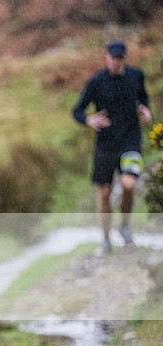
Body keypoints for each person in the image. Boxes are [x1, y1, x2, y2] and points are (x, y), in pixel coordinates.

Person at [72, 39, 152, 253]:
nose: (116, 62)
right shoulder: (96, 82)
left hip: (130, 141)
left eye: (119, 58)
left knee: (128, 184)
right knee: (105, 192)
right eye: (112, 58)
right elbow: (77, 111)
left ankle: (124, 227)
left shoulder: (136, 76)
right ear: (106, 57)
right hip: (105, 145)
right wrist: (89, 120)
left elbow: (143, 97)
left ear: (125, 58)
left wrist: (145, 109)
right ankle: (105, 239)